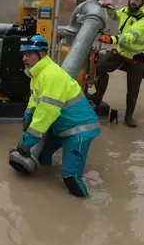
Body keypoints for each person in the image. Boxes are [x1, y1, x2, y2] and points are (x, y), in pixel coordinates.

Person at [13, 35, 101, 198]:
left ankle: (87, 208)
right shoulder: (37, 74)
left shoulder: (51, 76)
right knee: (43, 156)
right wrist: (28, 114)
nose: (25, 58)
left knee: (70, 178)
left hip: (79, 131)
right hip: (61, 128)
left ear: (43, 54)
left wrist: (27, 141)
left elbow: (46, 112)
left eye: (30, 54)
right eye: (24, 54)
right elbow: (35, 98)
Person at [89, 0, 144, 128]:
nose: (132, 1)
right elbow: (114, 17)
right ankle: (98, 96)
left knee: (133, 89)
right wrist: (110, 9)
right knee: (101, 68)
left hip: (136, 58)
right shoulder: (126, 11)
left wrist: (111, 39)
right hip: (120, 52)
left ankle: (129, 116)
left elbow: (130, 36)